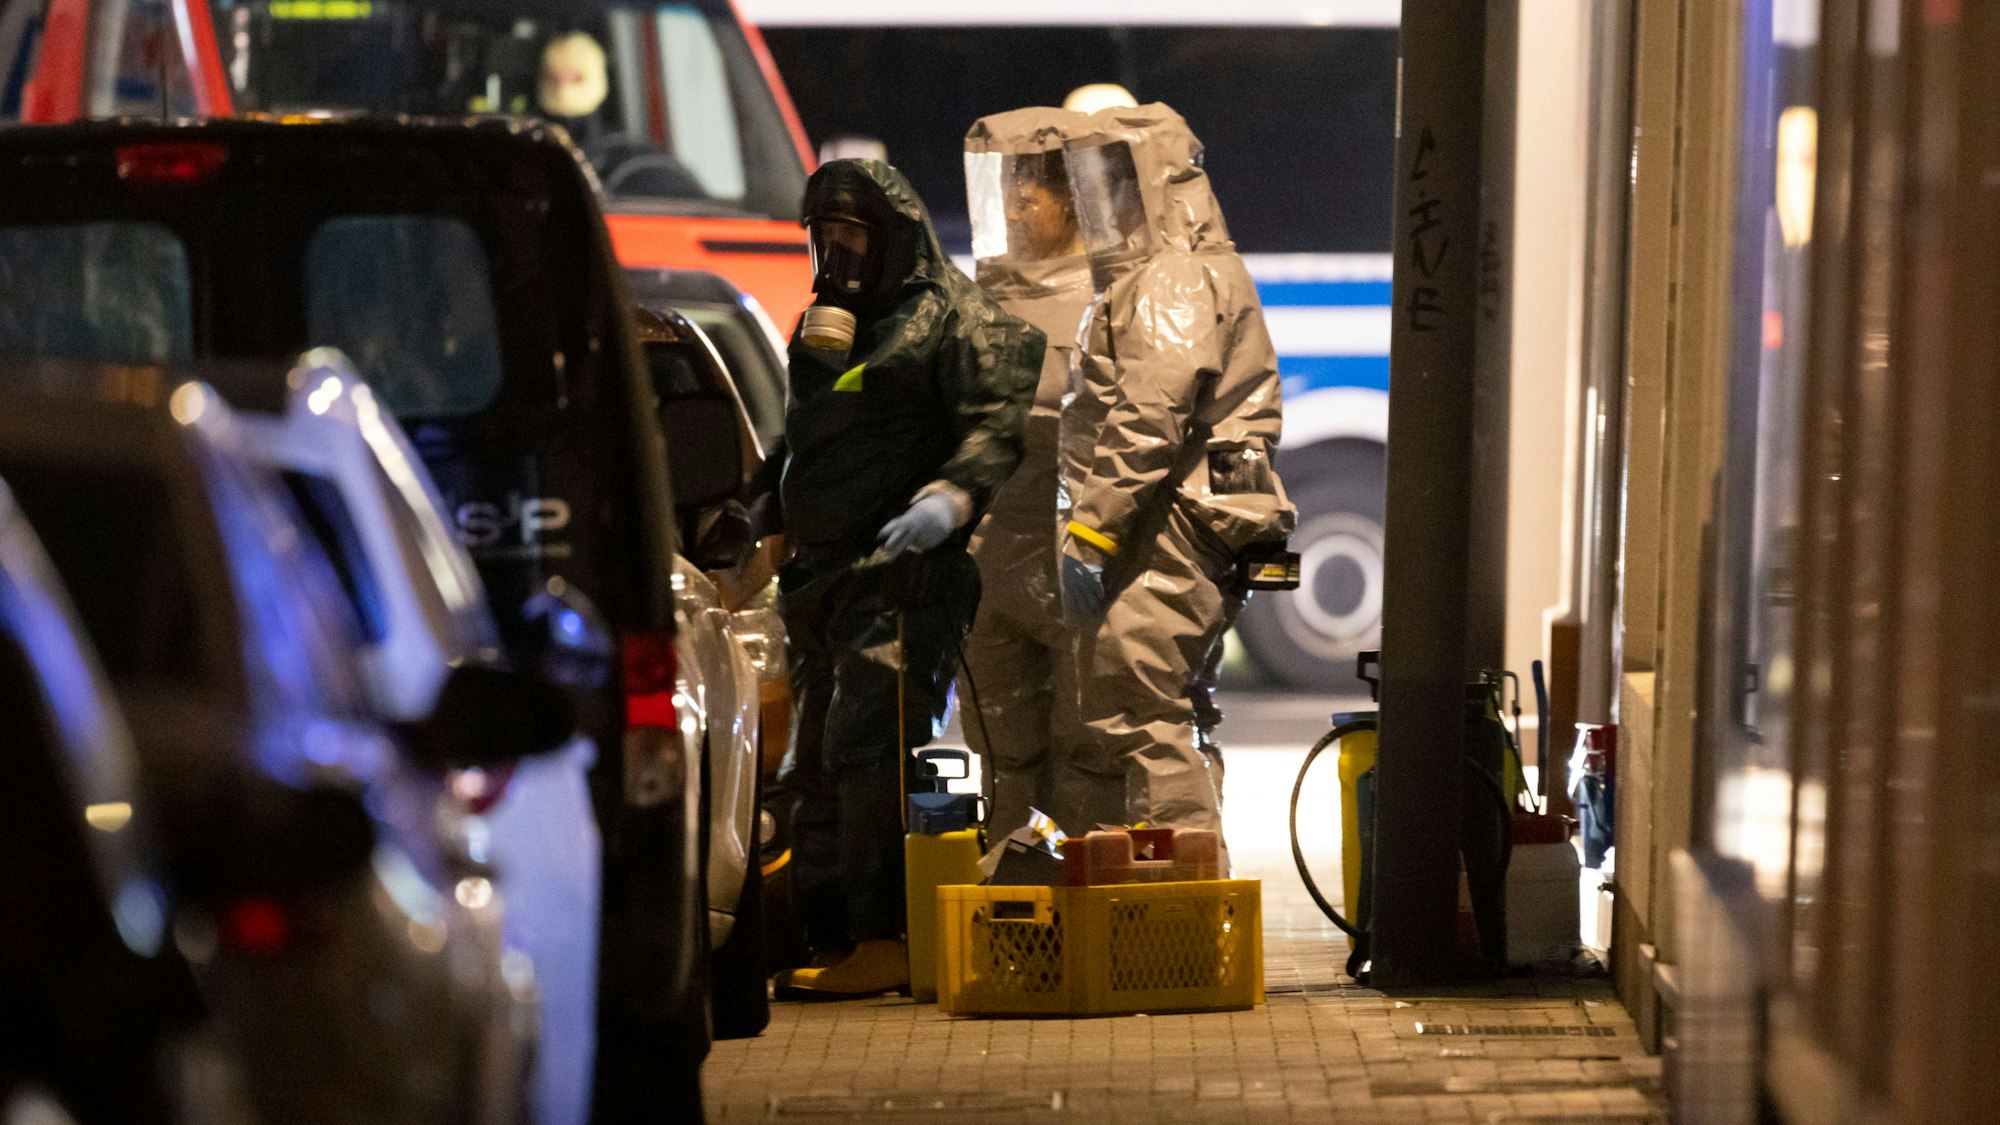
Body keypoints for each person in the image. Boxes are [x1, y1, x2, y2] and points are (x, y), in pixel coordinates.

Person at [763, 159, 1042, 997]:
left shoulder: (949, 318)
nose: (837, 255)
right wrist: (763, 511)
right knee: (812, 761)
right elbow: (805, 436)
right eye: (825, 237)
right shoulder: (833, 323)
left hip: (898, 578)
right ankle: (827, 929)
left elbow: (996, 419)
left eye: (851, 236)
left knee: (872, 754)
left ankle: (885, 934)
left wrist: (951, 498)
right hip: (824, 580)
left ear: (890, 238)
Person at [1055, 103, 1296, 859]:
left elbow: (1145, 418)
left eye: (1111, 184)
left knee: (1134, 704)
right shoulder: (1176, 269)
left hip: (1169, 522)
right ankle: (1179, 896)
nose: (1100, 205)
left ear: (1150, 185)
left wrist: (1092, 530)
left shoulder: (1172, 276)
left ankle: (1174, 907)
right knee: (1171, 705)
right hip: (1185, 519)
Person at [956, 106, 1099, 842]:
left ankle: (1092, 914)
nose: (1012, 208)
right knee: (999, 750)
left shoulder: (1109, 292)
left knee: (1086, 747)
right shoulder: (984, 294)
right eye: (1004, 189)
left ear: (1071, 197)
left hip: (1076, 550)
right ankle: (1014, 914)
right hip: (996, 553)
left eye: (1028, 191)